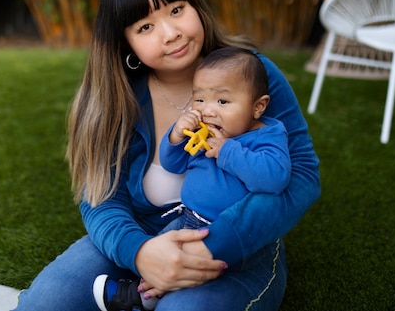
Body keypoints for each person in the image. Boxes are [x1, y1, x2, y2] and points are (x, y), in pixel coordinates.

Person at [12, 0, 320, 311]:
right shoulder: (115, 98)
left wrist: (211, 246)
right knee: (45, 304)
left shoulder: (250, 74)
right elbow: (100, 196)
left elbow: (301, 176)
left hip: (234, 249)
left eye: (176, 9)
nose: (171, 33)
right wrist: (140, 252)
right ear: (125, 43)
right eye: (145, 27)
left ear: (196, 6)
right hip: (144, 231)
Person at [93, 46, 293, 311]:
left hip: (230, 231)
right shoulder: (202, 131)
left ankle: (140, 297)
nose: (208, 111)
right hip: (188, 218)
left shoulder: (267, 135)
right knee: (160, 252)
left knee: (187, 265)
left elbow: (274, 178)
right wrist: (176, 136)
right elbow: (173, 164)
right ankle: (143, 293)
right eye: (199, 100)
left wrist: (227, 151)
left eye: (222, 102)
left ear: (258, 106)